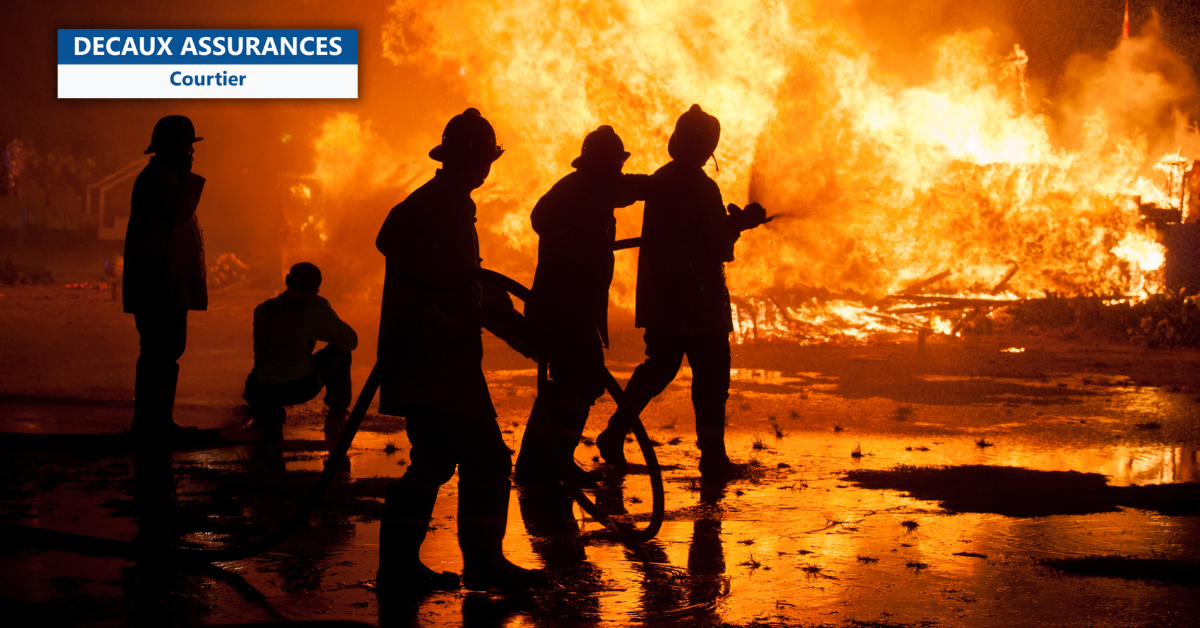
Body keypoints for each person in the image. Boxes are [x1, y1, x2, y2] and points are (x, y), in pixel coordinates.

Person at [374, 108, 545, 593]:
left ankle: (404, 567)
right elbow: (396, 241)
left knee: (435, 460)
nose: (485, 167)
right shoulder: (430, 205)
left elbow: (470, 285)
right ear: (462, 159)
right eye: (481, 157)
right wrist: (454, 279)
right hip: (431, 359)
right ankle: (480, 564)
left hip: (444, 360)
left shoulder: (453, 205)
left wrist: (523, 333)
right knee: (483, 460)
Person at [595, 104, 768, 478]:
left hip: (663, 297)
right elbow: (716, 246)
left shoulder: (664, 178)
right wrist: (741, 223)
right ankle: (712, 457)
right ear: (707, 146)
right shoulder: (702, 186)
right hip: (698, 300)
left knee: (659, 366)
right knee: (711, 375)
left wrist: (732, 222)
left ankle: (614, 431)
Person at [513, 125, 649, 489]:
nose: (619, 172)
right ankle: (550, 461)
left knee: (573, 381)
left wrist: (671, 184)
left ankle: (540, 462)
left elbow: (635, 187)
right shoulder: (573, 190)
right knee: (583, 378)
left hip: (577, 308)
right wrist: (571, 243)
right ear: (600, 165)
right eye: (614, 165)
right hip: (561, 307)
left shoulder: (601, 190)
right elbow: (539, 218)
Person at [123, 115, 207, 439]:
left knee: (163, 351)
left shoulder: (162, 178)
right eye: (188, 147)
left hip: (163, 283)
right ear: (175, 147)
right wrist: (188, 180)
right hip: (157, 285)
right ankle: (151, 421)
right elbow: (178, 215)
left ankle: (156, 419)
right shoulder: (158, 180)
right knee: (159, 351)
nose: (191, 154)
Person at [242, 262, 358, 442]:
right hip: (296, 388)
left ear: (287, 280)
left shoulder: (262, 309)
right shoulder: (316, 305)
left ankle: (264, 414)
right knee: (342, 352)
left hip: (258, 390)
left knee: (272, 364)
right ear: (317, 289)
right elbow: (350, 340)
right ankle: (336, 417)